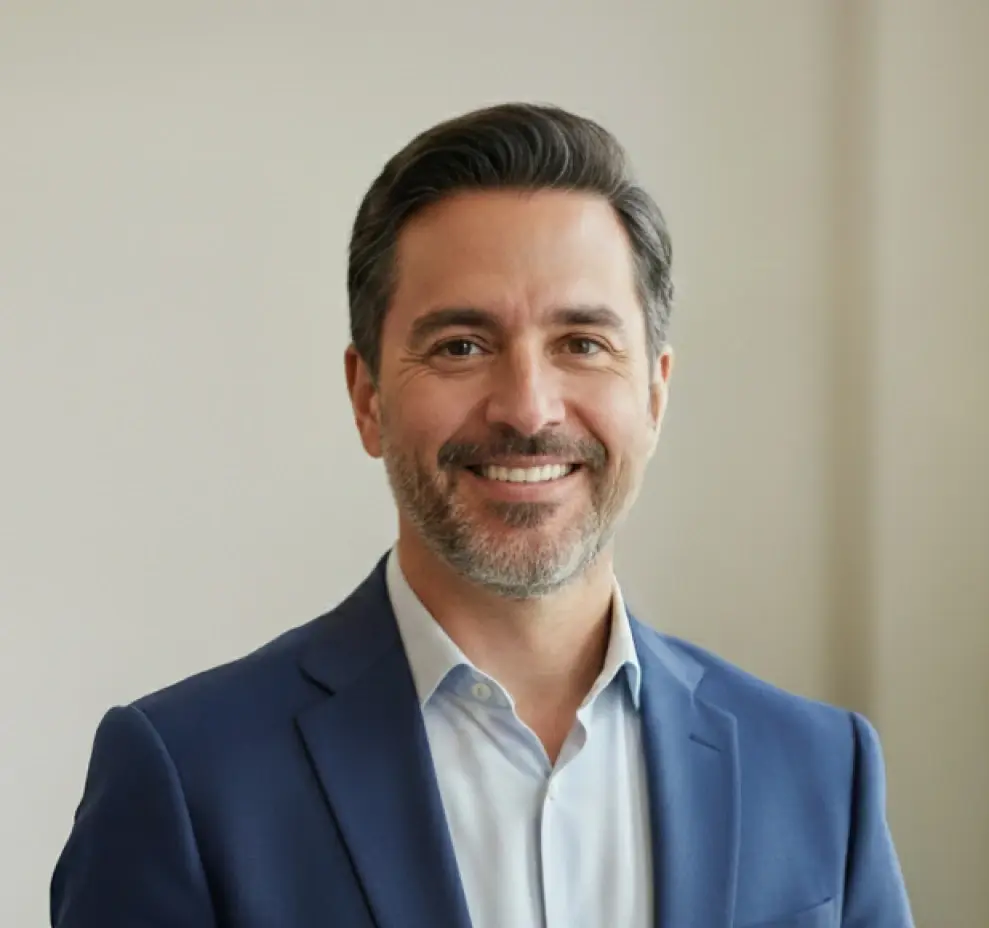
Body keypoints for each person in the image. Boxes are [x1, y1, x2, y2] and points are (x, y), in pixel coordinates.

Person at [50, 103, 913, 928]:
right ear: (367, 397)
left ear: (654, 393)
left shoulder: (817, 771)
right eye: (461, 346)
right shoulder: (187, 778)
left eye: (582, 344)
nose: (528, 408)